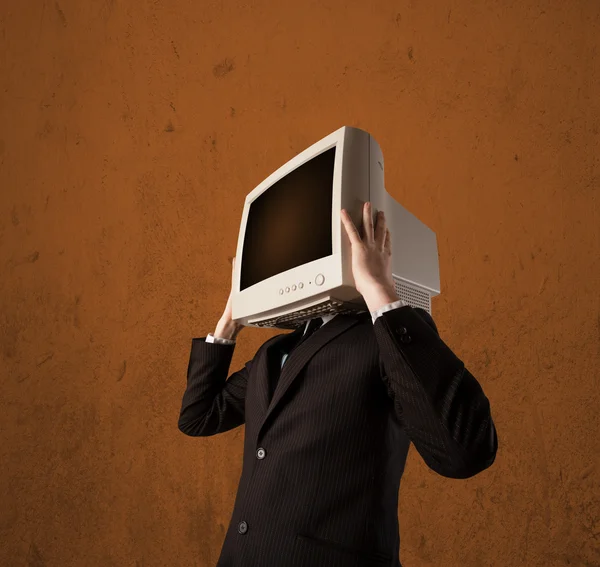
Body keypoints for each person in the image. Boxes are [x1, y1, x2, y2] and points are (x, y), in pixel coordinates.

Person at [179, 202, 498, 567]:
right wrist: (229, 321)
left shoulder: (386, 338)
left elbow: (465, 452)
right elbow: (197, 417)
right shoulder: (272, 353)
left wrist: (379, 290)